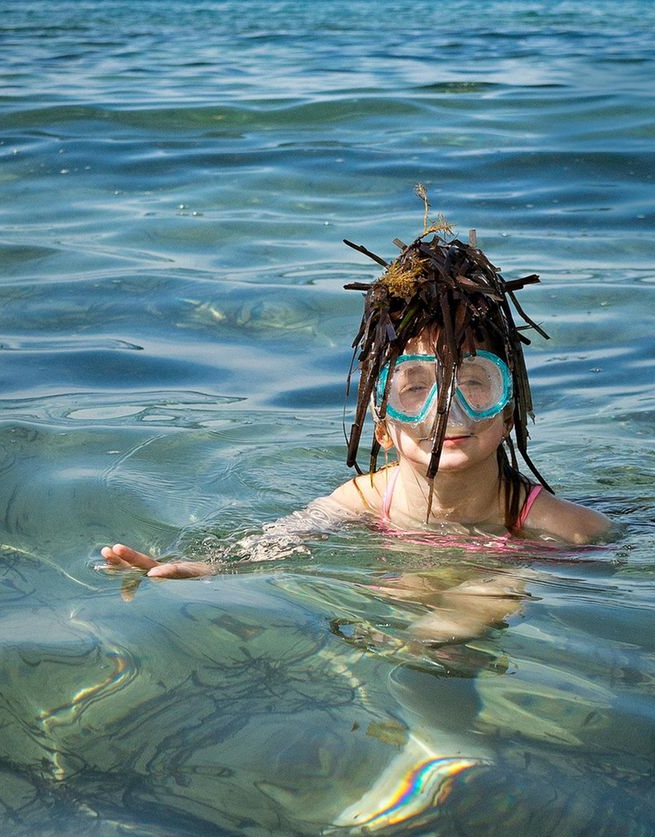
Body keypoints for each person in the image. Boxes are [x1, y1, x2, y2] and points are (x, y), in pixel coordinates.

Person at [101, 218, 612, 588]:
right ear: (382, 422)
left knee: (493, 591)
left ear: (509, 409)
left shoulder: (567, 527)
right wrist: (210, 568)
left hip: (497, 586)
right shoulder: (364, 501)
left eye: (476, 382)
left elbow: (609, 554)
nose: (444, 409)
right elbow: (276, 545)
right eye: (415, 387)